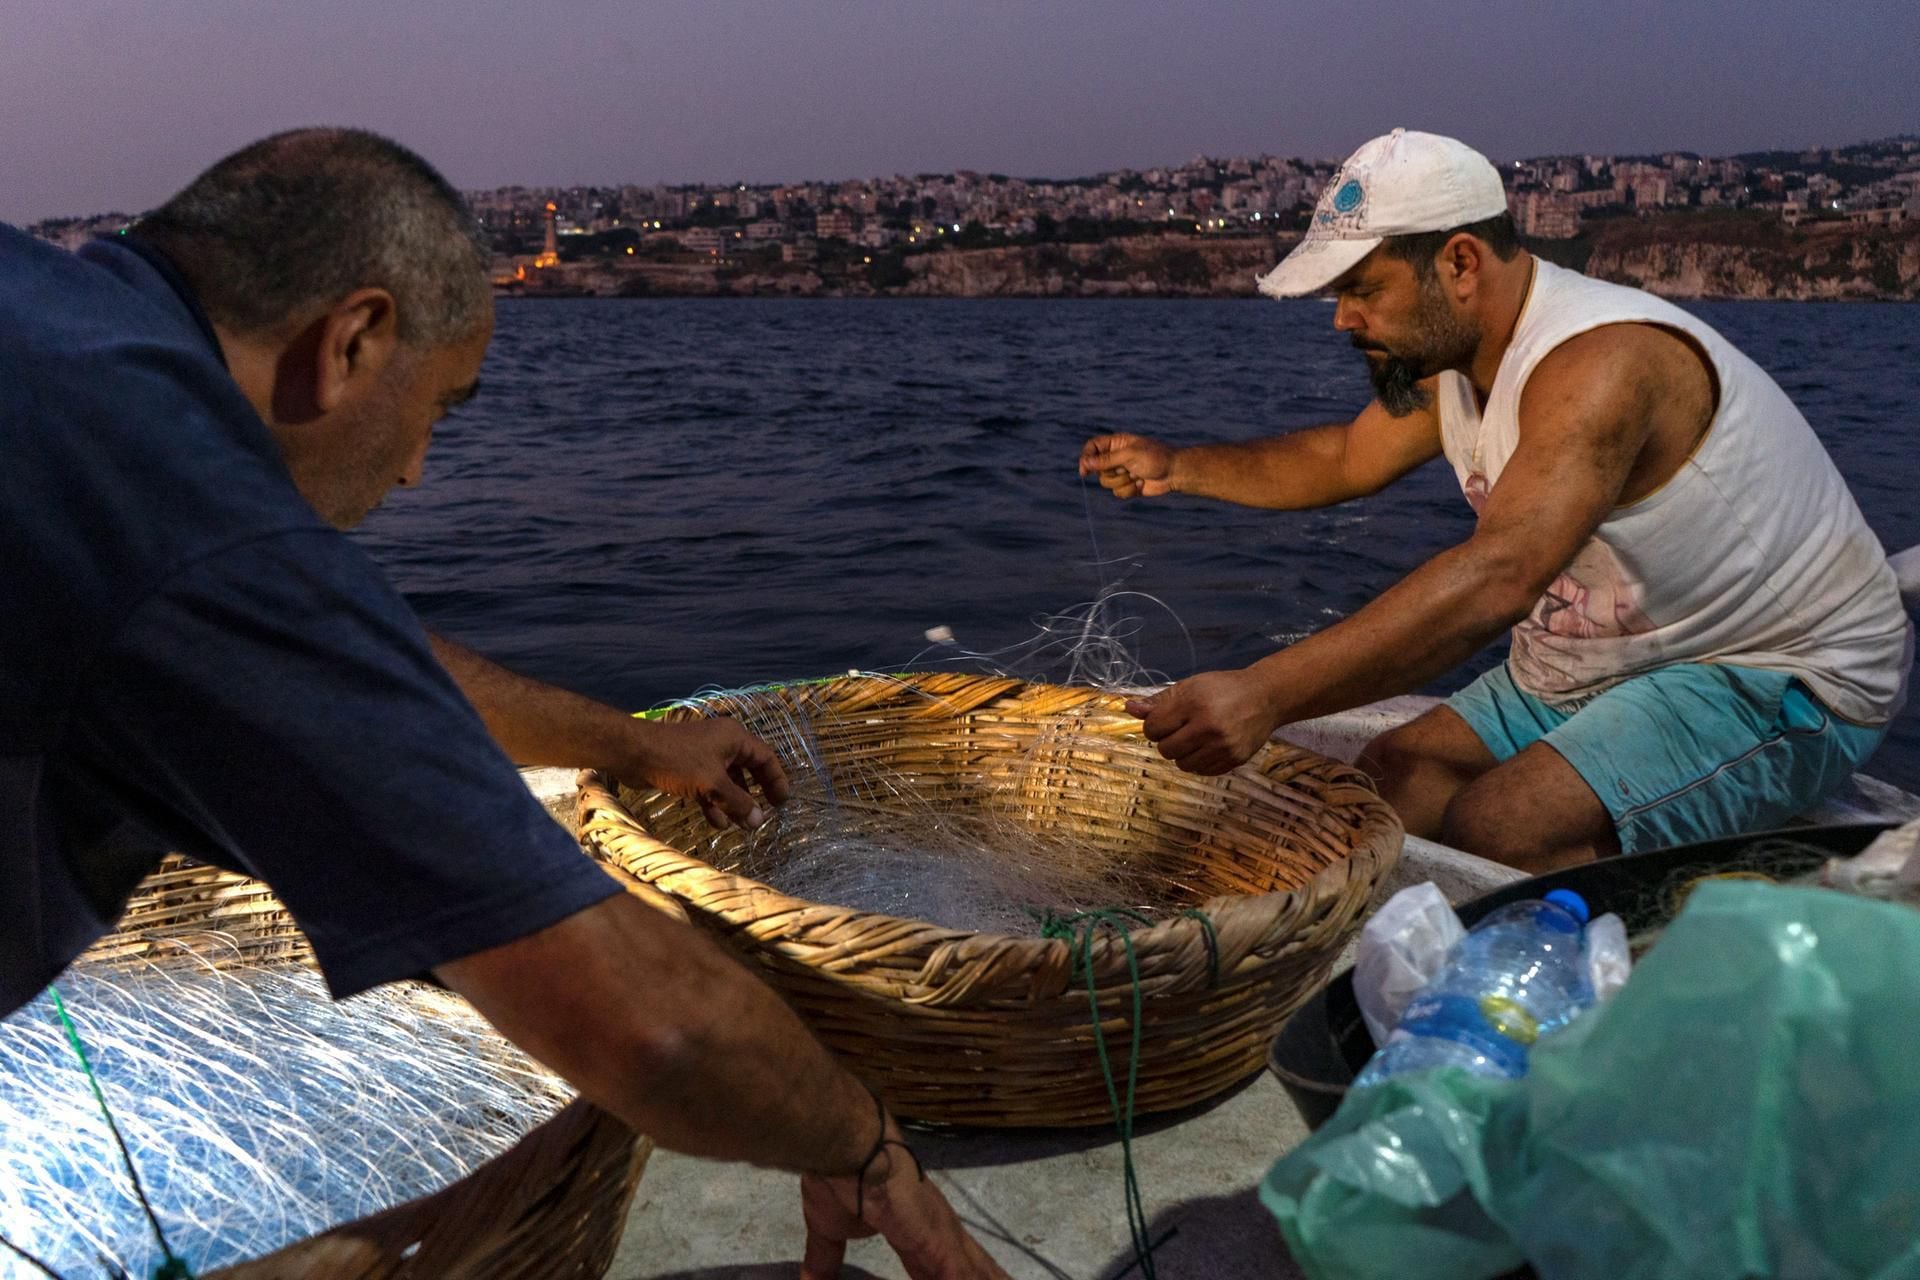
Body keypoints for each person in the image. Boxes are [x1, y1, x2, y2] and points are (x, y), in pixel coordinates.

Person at [1, 128, 1004, 1279]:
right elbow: (654, 1031)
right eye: (442, 407)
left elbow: (350, 658)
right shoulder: (187, 509)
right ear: (354, 339)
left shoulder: (58, 326)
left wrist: (629, 741)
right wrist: (867, 1145)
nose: (419, 470)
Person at [1080, 128, 1912, 873]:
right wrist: (1178, 465)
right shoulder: (1456, 367)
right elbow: (1344, 455)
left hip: (1774, 669)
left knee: (1501, 829)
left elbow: (1500, 575)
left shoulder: (1601, 364)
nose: (1342, 319)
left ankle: (1734, 903)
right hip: (1613, 663)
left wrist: (1264, 693)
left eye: (1363, 288)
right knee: (1391, 785)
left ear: (1461, 263)